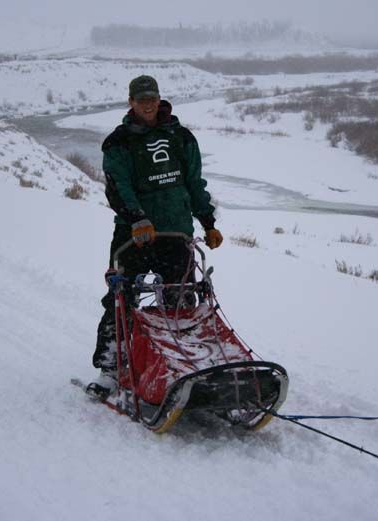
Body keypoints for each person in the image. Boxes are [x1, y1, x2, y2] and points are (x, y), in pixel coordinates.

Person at [89, 75, 223, 397]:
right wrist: (137, 219)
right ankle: (112, 369)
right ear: (131, 102)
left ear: (160, 98)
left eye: (152, 98)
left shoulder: (181, 137)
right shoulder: (118, 142)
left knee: (181, 303)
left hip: (177, 234)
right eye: (141, 99)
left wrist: (208, 221)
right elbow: (117, 186)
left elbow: (194, 183)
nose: (148, 104)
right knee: (121, 302)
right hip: (133, 237)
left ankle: (183, 367)